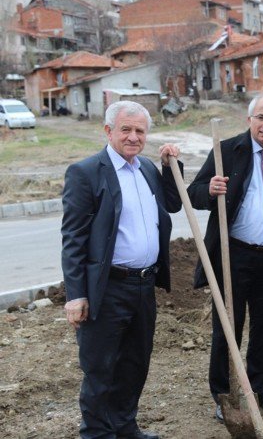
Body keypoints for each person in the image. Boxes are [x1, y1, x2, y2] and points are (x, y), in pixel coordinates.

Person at [61, 100, 183, 439]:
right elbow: (73, 239)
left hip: (144, 285)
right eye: (125, 129)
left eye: (140, 131)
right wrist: (76, 295)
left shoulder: (145, 169)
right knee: (100, 369)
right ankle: (98, 433)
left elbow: (172, 204)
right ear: (108, 131)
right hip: (107, 288)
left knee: (134, 365)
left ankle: (125, 426)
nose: (133, 137)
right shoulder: (86, 172)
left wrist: (171, 164)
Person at [186, 94, 263, 419]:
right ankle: (225, 394)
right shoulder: (227, 152)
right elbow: (194, 193)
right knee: (228, 327)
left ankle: (261, 388)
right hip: (232, 257)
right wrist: (209, 190)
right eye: (261, 118)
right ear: (249, 119)